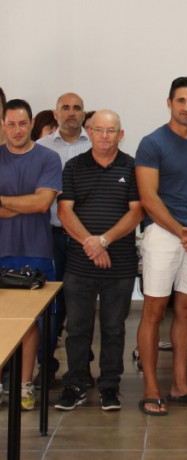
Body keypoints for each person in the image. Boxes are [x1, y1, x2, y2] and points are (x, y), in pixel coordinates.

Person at [135, 77, 187, 416]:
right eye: (181, 100)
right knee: (154, 311)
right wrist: (182, 232)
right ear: (169, 102)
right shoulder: (152, 143)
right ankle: (152, 388)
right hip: (162, 235)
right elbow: (148, 197)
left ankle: (181, 385)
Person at [54, 110, 142, 412]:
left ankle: (109, 387)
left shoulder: (132, 167)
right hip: (79, 263)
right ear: (89, 132)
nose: (105, 136)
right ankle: (76, 384)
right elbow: (65, 212)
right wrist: (91, 244)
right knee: (77, 328)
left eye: (111, 131)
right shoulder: (73, 167)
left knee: (114, 328)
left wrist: (103, 241)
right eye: (99, 130)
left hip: (120, 264)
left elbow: (136, 212)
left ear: (121, 134)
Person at [0, 99, 62, 409]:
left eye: (22, 123)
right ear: (3, 125)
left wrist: (3, 203)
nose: (16, 130)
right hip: (1, 250)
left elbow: (41, 204)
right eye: (10, 124)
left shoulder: (48, 158)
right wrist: (22, 202)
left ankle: (25, 385)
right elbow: (33, 201)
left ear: (30, 125)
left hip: (36, 251)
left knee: (30, 324)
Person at [37, 92, 91, 385]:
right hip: (51, 236)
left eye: (77, 108)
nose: (71, 113)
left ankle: (83, 367)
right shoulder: (40, 148)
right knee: (51, 304)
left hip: (86, 238)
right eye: (65, 108)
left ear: (84, 114)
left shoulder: (96, 144)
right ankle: (45, 366)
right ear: (55, 114)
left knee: (82, 306)